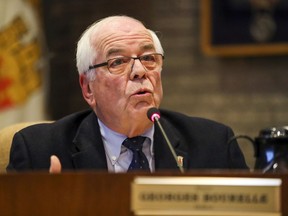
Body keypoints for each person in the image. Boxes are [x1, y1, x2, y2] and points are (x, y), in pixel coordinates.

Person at [7, 15, 248, 173]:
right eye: (118, 62)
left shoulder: (215, 145)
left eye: (148, 58)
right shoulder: (37, 152)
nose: (140, 71)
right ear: (88, 88)